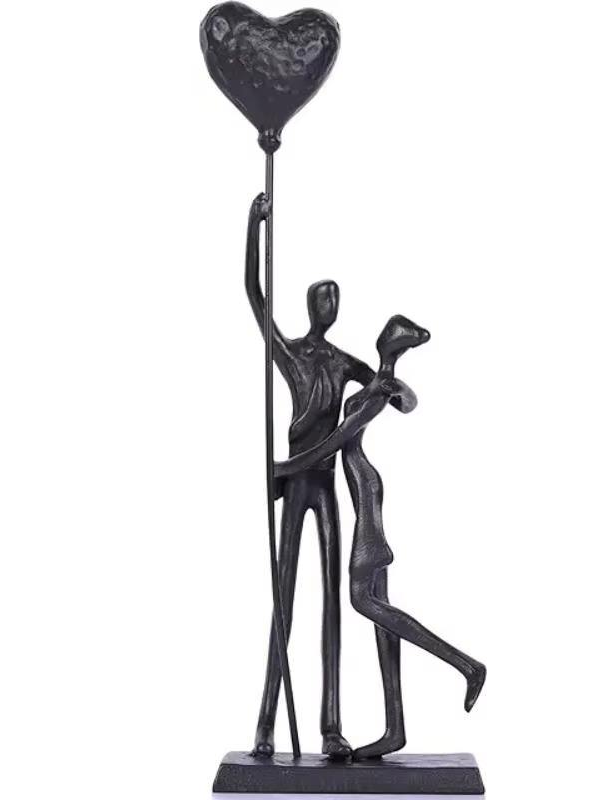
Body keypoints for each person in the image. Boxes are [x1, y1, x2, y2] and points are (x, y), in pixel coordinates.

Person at [275, 315, 487, 760]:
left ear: (390, 345)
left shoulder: (372, 395)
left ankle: (466, 665)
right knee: (382, 622)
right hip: (369, 499)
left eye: (390, 335)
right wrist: (392, 384)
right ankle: (396, 729)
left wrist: (281, 469)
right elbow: (407, 401)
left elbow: (334, 443)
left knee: (364, 603)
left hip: (367, 517)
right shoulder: (378, 386)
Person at [245, 193, 397, 760]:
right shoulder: (294, 355)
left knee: (332, 603)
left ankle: (330, 726)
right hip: (298, 488)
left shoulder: (342, 362)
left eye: (335, 298)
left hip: (326, 486)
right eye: (322, 297)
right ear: (312, 305)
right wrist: (255, 227)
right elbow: (254, 294)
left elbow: (391, 392)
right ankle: (265, 723)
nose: (329, 305)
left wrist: (394, 382)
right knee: (284, 600)